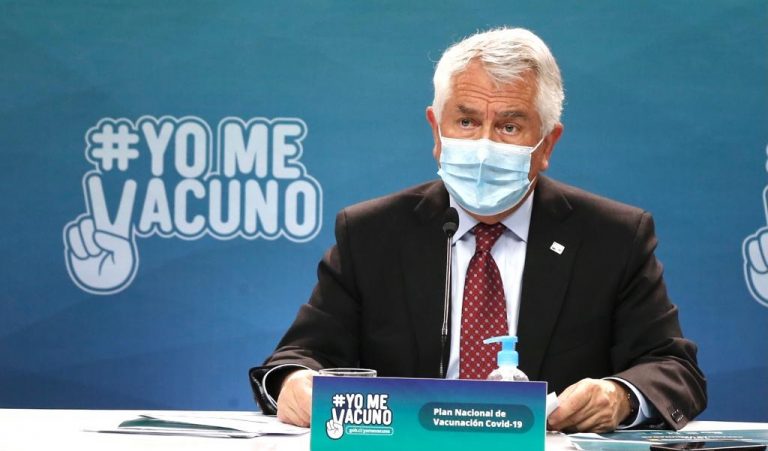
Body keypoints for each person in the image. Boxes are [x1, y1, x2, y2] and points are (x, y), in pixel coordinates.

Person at [249, 27, 707, 433]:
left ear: (547, 143)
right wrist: (294, 383)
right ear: (436, 130)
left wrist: (619, 396)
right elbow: (298, 358)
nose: (483, 146)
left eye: (509, 126)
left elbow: (673, 369)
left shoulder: (613, 237)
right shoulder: (371, 233)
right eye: (466, 121)